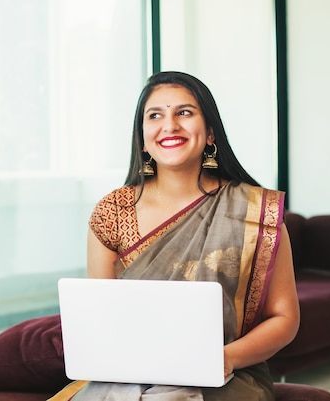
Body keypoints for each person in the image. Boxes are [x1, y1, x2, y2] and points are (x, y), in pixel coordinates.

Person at [50, 71, 300, 401]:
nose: (169, 125)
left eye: (184, 112)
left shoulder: (256, 211)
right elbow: (102, 320)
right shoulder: (112, 212)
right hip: (128, 374)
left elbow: (284, 318)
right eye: (155, 115)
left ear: (210, 131)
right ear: (142, 136)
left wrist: (222, 359)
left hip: (227, 373)